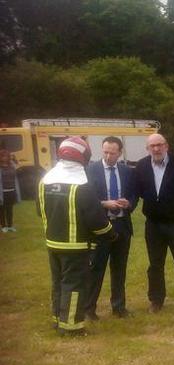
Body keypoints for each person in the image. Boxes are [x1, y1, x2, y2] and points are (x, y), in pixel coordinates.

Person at [39, 137, 117, 336]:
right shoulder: (81, 185)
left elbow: (41, 212)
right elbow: (96, 220)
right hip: (75, 247)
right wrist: (111, 234)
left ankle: (58, 320)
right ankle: (72, 328)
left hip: (52, 244)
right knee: (74, 285)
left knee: (58, 283)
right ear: (83, 157)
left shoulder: (45, 181)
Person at [134, 133, 174, 314]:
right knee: (155, 264)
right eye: (152, 146)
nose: (156, 149)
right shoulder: (141, 166)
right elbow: (138, 190)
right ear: (147, 149)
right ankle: (156, 300)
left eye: (159, 145)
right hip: (153, 225)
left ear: (166, 146)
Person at [84, 137, 136, 320]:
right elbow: (86, 199)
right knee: (96, 268)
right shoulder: (91, 170)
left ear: (119, 153)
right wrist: (104, 204)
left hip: (122, 226)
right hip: (100, 227)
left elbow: (133, 194)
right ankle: (89, 309)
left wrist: (129, 203)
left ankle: (119, 307)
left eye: (112, 153)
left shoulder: (127, 171)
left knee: (119, 268)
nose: (107, 156)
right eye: (105, 151)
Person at [0, 149, 21, 232]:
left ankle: (10, 226)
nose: (5, 158)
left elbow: (18, 167)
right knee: (2, 209)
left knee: (10, 209)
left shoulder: (11, 165)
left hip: (11, 190)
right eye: (3, 156)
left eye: (6, 156)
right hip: (2, 192)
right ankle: (3, 226)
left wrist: (14, 159)